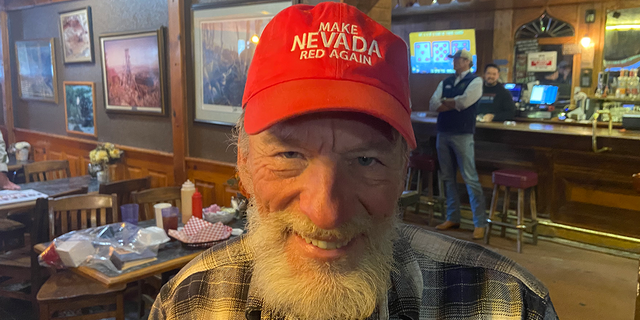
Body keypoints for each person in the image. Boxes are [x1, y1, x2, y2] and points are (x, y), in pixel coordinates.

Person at [150, 3, 557, 320]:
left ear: (404, 172)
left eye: (365, 160)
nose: (327, 213)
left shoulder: (509, 306)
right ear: (243, 164)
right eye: (290, 155)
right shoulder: (189, 303)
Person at [429, 49, 487, 240]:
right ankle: (452, 217)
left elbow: (465, 102)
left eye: (457, 59)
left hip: (463, 134)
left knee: (470, 178)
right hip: (443, 132)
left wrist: (447, 103)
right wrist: (452, 103)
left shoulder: (476, 81)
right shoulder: (445, 81)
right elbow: (433, 104)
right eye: (453, 59)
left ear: (467, 61)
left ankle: (479, 223)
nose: (454, 62)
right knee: (447, 177)